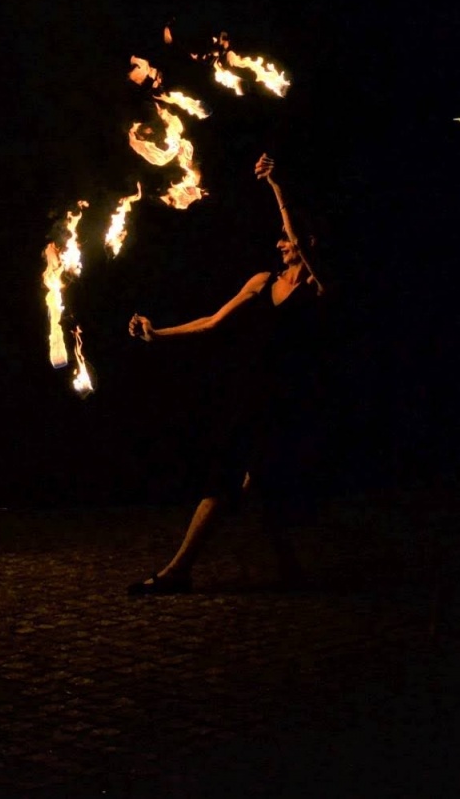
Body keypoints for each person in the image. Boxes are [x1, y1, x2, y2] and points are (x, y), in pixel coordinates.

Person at [125, 153, 329, 595]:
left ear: (306, 243)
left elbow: (296, 230)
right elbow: (213, 321)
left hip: (287, 400)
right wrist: (159, 334)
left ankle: (186, 572)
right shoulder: (260, 281)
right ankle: (197, 570)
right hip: (251, 395)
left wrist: (276, 188)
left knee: (249, 482)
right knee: (240, 481)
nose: (280, 244)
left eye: (287, 240)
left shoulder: (317, 288)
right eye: (280, 240)